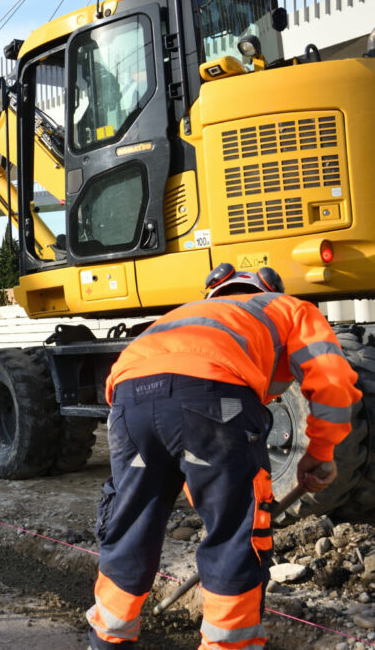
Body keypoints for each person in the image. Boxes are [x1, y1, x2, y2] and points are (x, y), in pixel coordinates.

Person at [86, 264, 361, 650]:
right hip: (216, 398)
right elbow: (332, 381)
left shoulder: (181, 316)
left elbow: (132, 386)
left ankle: (106, 640)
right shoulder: (287, 307)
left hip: (129, 405)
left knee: (130, 523)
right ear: (269, 289)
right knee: (235, 531)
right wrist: (321, 451)